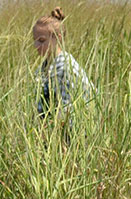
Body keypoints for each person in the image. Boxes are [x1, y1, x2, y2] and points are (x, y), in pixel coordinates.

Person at [32, 7, 95, 141]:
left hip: (72, 138)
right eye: (35, 40)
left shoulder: (65, 68)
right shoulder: (45, 67)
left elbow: (68, 112)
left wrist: (47, 136)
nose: (36, 45)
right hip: (52, 135)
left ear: (57, 38)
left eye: (42, 40)